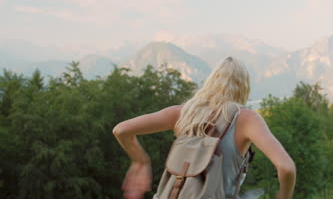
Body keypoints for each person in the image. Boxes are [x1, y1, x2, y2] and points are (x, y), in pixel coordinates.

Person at [113, 56, 296, 199]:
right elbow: (286, 167)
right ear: (244, 88)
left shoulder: (182, 113)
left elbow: (121, 130)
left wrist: (141, 161)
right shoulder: (246, 118)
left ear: (211, 81)